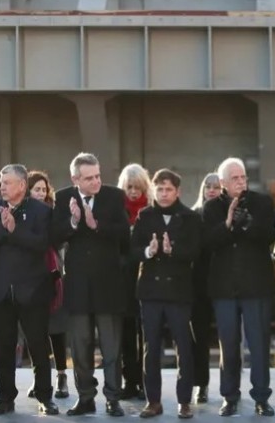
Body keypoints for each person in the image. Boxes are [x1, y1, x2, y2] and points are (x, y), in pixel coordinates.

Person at [51, 153, 130, 417]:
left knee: (111, 347)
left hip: (108, 284)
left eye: (98, 176)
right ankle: (85, 397)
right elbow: (54, 237)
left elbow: (124, 233)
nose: (96, 181)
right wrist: (74, 221)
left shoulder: (114, 196)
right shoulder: (63, 199)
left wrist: (97, 225)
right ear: (76, 180)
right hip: (78, 286)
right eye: (89, 178)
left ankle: (112, 398)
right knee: (81, 347)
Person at [0, 164, 59, 415]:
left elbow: (41, 244)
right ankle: (6, 398)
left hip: (32, 290)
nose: (2, 186)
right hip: (0, 290)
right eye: (1, 182)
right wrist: (4, 230)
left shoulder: (41, 211)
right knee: (4, 346)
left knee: (38, 345)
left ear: (22, 185)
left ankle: (45, 397)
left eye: (8, 182)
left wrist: (14, 230)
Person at [202, 157, 275, 417]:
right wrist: (228, 223)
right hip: (224, 288)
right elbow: (208, 242)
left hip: (256, 286)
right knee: (228, 345)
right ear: (222, 183)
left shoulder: (262, 202)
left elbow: (270, 236)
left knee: (258, 345)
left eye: (243, 177)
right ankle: (230, 396)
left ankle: (261, 397)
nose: (241, 181)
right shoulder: (211, 208)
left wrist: (247, 223)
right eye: (234, 178)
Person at [131, 169, 202, 419]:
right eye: (159, 189)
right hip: (150, 291)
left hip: (179, 291)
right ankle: (153, 401)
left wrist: (173, 251)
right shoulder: (145, 215)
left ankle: (184, 401)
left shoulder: (190, 217)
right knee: (151, 349)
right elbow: (132, 250)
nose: (163, 193)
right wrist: (149, 252)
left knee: (183, 346)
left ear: (178, 191)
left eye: (168, 189)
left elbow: (195, 251)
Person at [27, 170, 69, 399]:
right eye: (37, 189)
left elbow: (59, 240)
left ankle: (61, 375)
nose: (41, 193)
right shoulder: (21, 213)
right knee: (36, 332)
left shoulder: (54, 213)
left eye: (44, 189)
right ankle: (39, 377)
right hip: (30, 279)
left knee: (57, 330)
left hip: (53, 277)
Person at [117, 163, 152, 401]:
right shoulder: (117, 212)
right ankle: (129, 382)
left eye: (138, 187)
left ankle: (146, 383)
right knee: (127, 335)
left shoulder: (151, 211)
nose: (133, 191)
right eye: (129, 187)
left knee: (148, 337)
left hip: (148, 280)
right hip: (123, 282)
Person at [190, 173, 220, 404]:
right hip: (198, 286)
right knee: (198, 339)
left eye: (217, 187)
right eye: (208, 186)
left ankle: (231, 387)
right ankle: (201, 384)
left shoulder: (228, 213)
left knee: (227, 340)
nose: (211, 190)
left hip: (224, 284)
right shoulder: (193, 215)